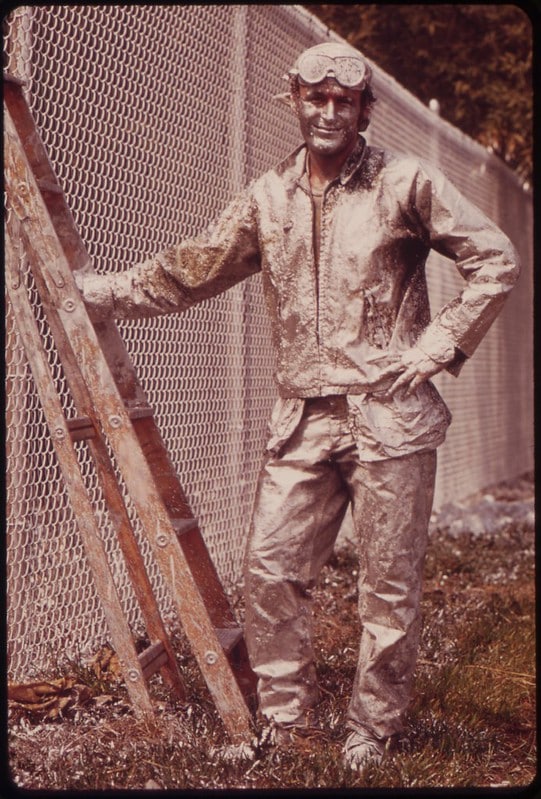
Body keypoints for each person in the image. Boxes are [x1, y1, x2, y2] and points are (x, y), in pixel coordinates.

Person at [77, 41, 519, 771]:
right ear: (296, 103)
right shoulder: (268, 197)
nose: (328, 111)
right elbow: (193, 268)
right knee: (269, 568)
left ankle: (372, 730)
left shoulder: (403, 183)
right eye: (315, 98)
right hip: (302, 419)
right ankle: (287, 723)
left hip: (390, 415)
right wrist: (105, 292)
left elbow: (493, 258)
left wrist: (435, 345)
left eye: (343, 100)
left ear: (363, 110)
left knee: (387, 581)